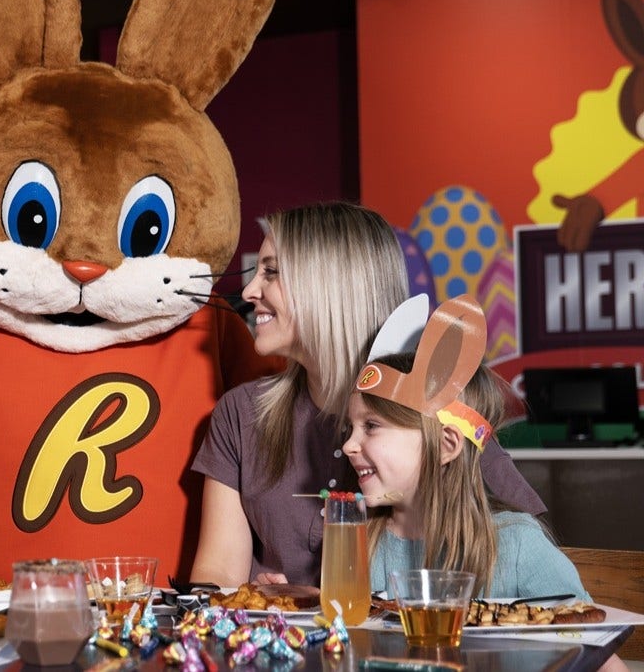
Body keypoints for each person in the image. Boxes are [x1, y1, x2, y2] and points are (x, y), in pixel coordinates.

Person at [188, 202, 545, 589]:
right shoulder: (239, 414)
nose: (249, 290)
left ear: (329, 287)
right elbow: (216, 576)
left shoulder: (431, 408)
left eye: (271, 273)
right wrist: (251, 602)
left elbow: (522, 550)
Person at [348, 296, 628, 672]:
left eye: (371, 426)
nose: (348, 444)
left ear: (447, 444)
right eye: (350, 428)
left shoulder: (515, 545)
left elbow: (600, 660)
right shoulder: (361, 543)